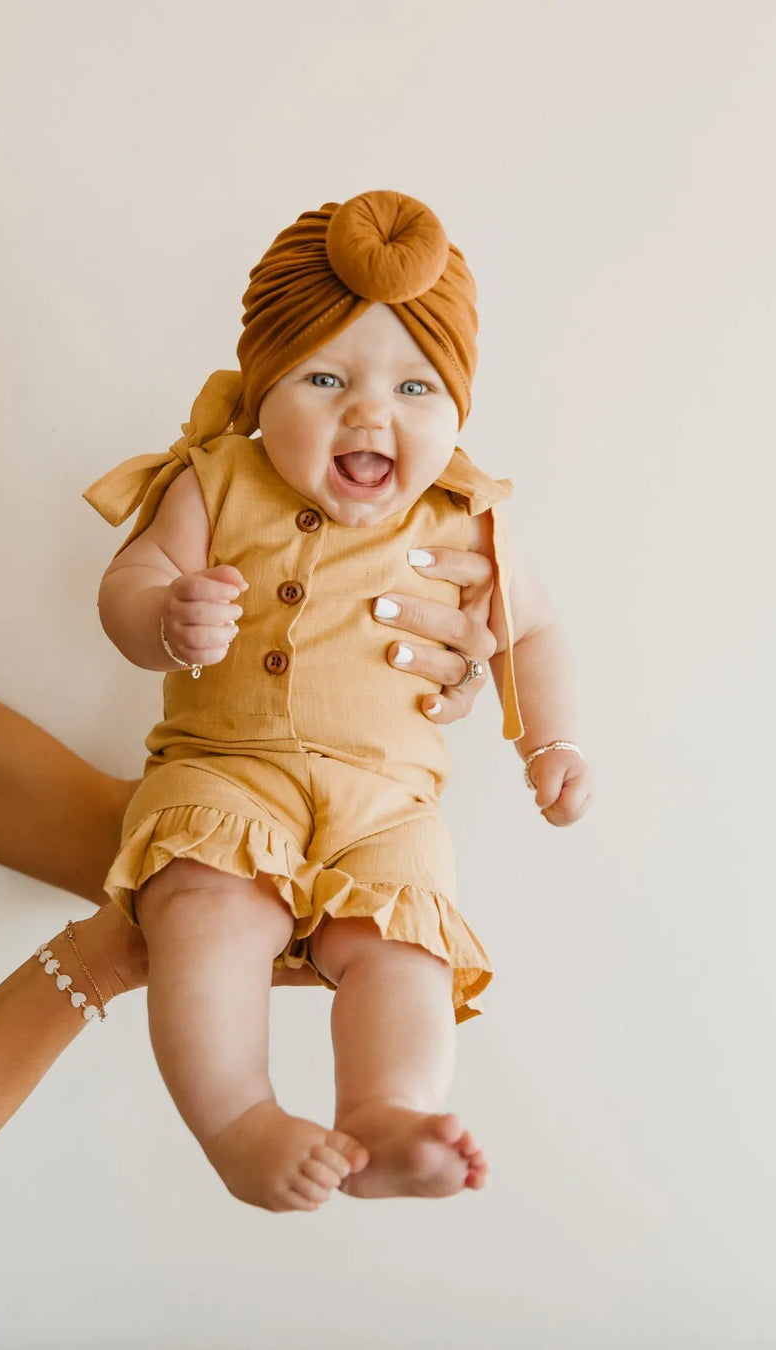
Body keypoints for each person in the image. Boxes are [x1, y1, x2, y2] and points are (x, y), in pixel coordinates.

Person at [0, 547, 494, 1347]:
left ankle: (386, 1113)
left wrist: (363, 711)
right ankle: (241, 1124)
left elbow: (139, 842)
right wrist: (90, 967)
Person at [84, 190, 593, 1215]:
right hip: (228, 779)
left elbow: (533, 628)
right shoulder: (217, 480)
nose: (372, 413)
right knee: (203, 908)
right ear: (264, 389)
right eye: (325, 378)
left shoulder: (465, 511)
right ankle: (239, 1122)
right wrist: (166, 616)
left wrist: (555, 740)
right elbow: (127, 584)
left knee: (404, 949)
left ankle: (386, 1111)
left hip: (390, 807)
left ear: (454, 413)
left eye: (414, 385)